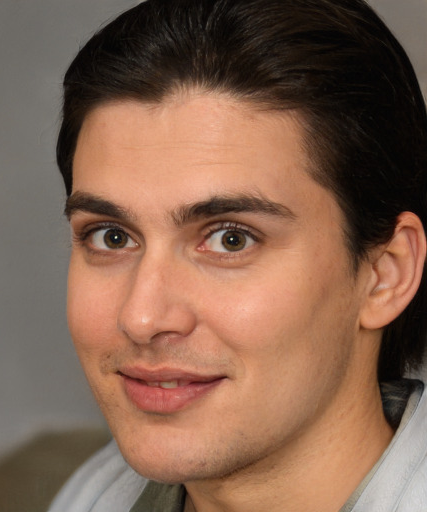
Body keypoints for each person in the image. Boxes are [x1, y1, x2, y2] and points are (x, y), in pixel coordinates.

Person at [48, 0, 427, 510]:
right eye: (111, 236)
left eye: (231, 239)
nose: (141, 317)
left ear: (385, 274)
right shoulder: (91, 496)